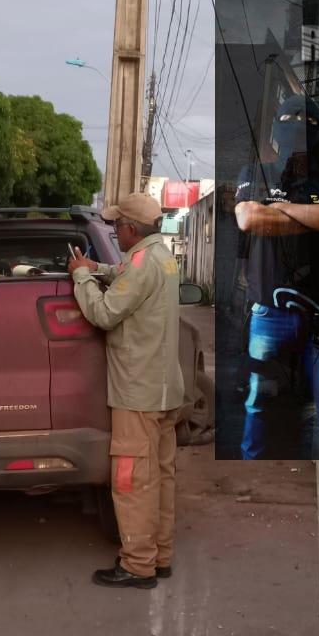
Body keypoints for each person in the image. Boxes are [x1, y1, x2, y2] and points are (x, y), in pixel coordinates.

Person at [234, 94, 319, 460]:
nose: (297, 131)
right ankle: (252, 468)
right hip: (271, 311)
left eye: (305, 123)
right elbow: (249, 219)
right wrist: (315, 218)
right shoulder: (256, 173)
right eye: (289, 120)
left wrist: (282, 211)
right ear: (278, 129)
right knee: (259, 399)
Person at [67, 191, 185, 590]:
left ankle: (137, 565)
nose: (115, 231)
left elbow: (103, 313)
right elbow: (126, 278)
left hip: (138, 393)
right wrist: (96, 267)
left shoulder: (141, 265)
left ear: (132, 229)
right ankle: (160, 556)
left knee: (133, 479)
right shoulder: (162, 257)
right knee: (162, 477)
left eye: (118, 225)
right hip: (165, 391)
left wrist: (81, 276)